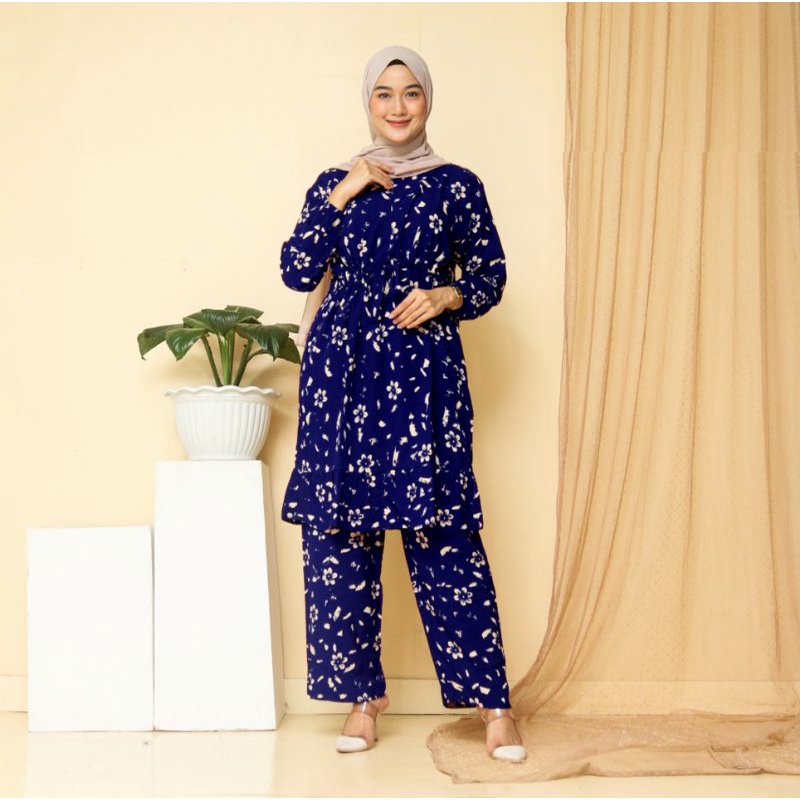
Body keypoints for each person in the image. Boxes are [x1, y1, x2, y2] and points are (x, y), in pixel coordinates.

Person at [278, 44, 526, 763]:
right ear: (367, 102)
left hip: (423, 375)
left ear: (427, 102)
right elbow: (297, 268)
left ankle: (494, 706)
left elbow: (489, 275)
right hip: (342, 375)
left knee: (445, 534)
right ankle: (362, 698)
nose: (397, 106)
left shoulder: (457, 185)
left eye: (410, 92)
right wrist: (344, 191)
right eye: (383, 93)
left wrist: (446, 295)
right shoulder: (335, 181)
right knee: (342, 536)